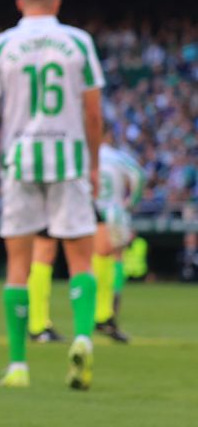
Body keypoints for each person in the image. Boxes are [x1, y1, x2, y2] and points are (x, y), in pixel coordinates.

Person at [0, 0, 104, 390]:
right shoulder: (78, 42)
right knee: (80, 259)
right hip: (68, 159)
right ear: (57, 3)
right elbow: (93, 113)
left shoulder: (0, 46)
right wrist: (95, 164)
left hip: (20, 161)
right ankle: (82, 337)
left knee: (18, 265)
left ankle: (18, 366)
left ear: (20, 3)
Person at [93, 127, 145, 343]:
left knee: (94, 261)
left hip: (92, 212)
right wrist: (130, 203)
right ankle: (109, 315)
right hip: (114, 212)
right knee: (115, 260)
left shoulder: (87, 157)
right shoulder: (118, 157)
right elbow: (139, 177)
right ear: (109, 135)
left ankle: (98, 312)